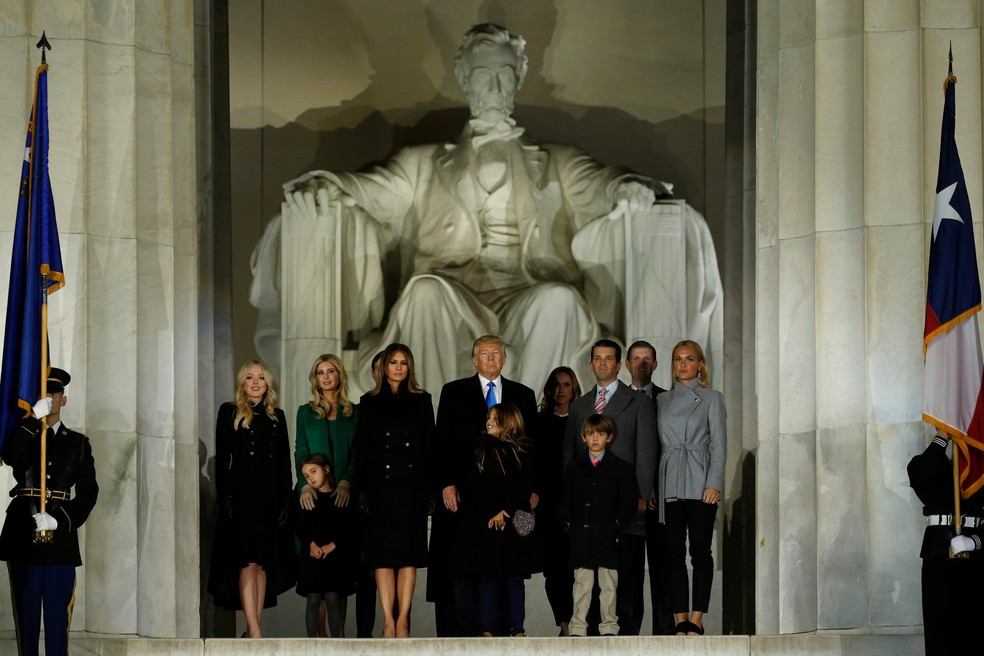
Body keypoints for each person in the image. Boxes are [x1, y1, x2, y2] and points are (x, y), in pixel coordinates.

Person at [273, 22, 673, 393]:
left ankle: (524, 437)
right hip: (452, 292)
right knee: (424, 292)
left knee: (560, 301)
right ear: (465, 80)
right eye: (483, 76)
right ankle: (435, 437)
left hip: (528, 291)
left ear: (518, 78)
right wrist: (330, 184)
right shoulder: (421, 163)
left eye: (505, 75)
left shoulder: (558, 160)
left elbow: (600, 183)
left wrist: (627, 187)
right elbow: (370, 189)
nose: (495, 87)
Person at [427, 335, 538, 636]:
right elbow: (442, 444)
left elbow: (533, 448)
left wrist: (532, 491)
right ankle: (468, 632)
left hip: (511, 501)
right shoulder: (453, 392)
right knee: (466, 571)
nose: (490, 358)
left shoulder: (523, 395)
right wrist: (446, 483)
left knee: (508, 572)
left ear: (504, 358)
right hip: (466, 500)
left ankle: (510, 630)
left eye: (496, 353)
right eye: (484, 353)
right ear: (474, 359)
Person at [0, 367, 98, 656]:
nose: (50, 399)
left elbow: (89, 492)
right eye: (44, 394)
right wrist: (32, 421)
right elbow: (10, 456)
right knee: (26, 616)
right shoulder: (24, 434)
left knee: (57, 616)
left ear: (63, 400)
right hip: (22, 531)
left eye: (54, 394)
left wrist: (61, 519)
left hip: (59, 538)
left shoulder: (78, 443)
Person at [564, 339, 656, 635]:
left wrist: (642, 495)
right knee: (587, 579)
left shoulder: (639, 401)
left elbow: (646, 451)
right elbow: (570, 458)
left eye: (609, 359)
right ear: (590, 364)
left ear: (620, 365)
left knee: (626, 576)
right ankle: (589, 636)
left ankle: (627, 636)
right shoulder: (579, 406)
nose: (603, 363)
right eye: (597, 358)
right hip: (588, 514)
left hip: (624, 507)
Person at [207, 360, 296, 638]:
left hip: (269, 498)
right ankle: (255, 631)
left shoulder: (277, 416)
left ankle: (252, 627)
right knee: (246, 561)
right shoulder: (230, 412)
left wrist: (285, 500)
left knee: (261, 564)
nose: (256, 382)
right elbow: (223, 459)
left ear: (267, 383)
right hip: (242, 496)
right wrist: (226, 498)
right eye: (250, 378)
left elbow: (284, 463)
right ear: (242, 383)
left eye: (260, 378)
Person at [352, 343, 434, 638]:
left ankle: (403, 621)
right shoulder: (369, 401)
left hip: (412, 486)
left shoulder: (423, 400)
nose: (398, 367)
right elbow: (363, 449)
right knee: (382, 558)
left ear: (409, 367)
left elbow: (429, 448)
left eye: (403, 362)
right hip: (379, 488)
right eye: (393, 362)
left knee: (408, 557)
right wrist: (360, 491)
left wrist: (431, 492)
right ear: (384, 367)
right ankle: (388, 621)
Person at [449, 403, 542, 637]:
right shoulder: (479, 448)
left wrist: (506, 511)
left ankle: (518, 629)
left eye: (494, 418)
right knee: (487, 577)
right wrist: (494, 511)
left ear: (509, 421)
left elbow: (524, 485)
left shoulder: (524, 449)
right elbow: (474, 484)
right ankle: (488, 629)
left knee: (514, 578)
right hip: (487, 522)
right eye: (488, 417)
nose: (488, 421)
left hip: (511, 523)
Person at [656, 340, 726, 636]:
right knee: (672, 553)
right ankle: (679, 619)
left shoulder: (712, 397)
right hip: (670, 478)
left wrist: (714, 483)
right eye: (677, 359)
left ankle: (696, 619)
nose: (683, 365)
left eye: (689, 359)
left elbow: (719, 445)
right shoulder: (661, 400)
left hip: (700, 481)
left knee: (700, 552)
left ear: (700, 365)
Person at [907, 427, 983, 655]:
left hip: (977, 559)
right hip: (940, 555)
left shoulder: (979, 473)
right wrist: (943, 436)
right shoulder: (926, 465)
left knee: (975, 631)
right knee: (939, 633)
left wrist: (975, 541)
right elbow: (923, 474)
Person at [561, 413, 637, 637]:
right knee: (582, 584)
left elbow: (628, 502)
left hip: (607, 535)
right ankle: (577, 627)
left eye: (601, 434)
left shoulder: (620, 468)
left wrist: (616, 525)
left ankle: (609, 627)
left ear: (609, 437)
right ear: (583, 437)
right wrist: (568, 525)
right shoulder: (575, 468)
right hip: (582, 536)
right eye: (591, 434)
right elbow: (565, 499)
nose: (595, 439)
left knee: (609, 584)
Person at [625, 340, 674, 635]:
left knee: (663, 568)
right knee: (629, 573)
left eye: (648, 359)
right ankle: (629, 633)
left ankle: (665, 633)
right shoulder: (616, 401)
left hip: (664, 498)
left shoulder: (668, 400)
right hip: (629, 501)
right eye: (636, 358)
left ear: (655, 365)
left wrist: (655, 486)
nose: (642, 364)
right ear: (627, 364)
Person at [533, 366, 581, 635]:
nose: (561, 390)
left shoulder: (584, 419)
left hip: (578, 504)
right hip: (547, 505)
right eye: (557, 385)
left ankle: (579, 621)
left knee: (578, 569)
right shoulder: (538, 422)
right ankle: (563, 623)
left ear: (574, 388)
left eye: (566, 384)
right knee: (553, 570)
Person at [294, 453, 358, 637]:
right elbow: (300, 526)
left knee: (332, 596)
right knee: (313, 598)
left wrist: (334, 545)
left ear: (327, 470)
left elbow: (349, 526)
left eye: (313, 471)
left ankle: (337, 642)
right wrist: (311, 545)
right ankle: (312, 643)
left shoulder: (341, 498)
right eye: (306, 475)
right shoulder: (307, 499)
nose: (311, 478)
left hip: (335, 559)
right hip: (313, 557)